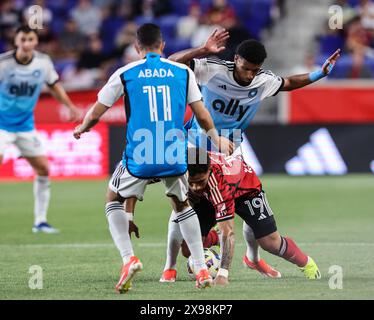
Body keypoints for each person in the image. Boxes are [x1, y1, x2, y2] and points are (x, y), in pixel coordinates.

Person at [160, 29, 341, 283]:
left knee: (243, 212)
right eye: (246, 68)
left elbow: (288, 83)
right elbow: (170, 65)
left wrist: (318, 74)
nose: (249, 75)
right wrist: (202, 49)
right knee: (182, 211)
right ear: (236, 60)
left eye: (255, 70)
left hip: (230, 159)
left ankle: (250, 257)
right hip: (196, 154)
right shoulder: (212, 68)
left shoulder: (262, 80)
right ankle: (177, 261)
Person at [73, 23, 233, 293]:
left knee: (113, 198)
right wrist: (216, 139)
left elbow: (97, 112)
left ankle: (128, 259)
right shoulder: (183, 71)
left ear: (137, 48)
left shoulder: (125, 73)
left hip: (140, 154)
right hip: (174, 152)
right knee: (182, 205)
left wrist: (83, 127)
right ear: (163, 46)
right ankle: (201, 267)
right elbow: (202, 113)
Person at [186, 147, 321, 285]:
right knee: (187, 248)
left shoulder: (220, 185)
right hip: (208, 194)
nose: (195, 187)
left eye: (200, 182)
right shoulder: (182, 167)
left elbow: (228, 231)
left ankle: (306, 263)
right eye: (191, 183)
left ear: (209, 170)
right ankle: (215, 239)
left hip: (246, 190)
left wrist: (222, 274)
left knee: (270, 243)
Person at [0, 25, 79, 233]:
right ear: (16, 41)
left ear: (36, 42)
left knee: (43, 169)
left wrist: (70, 106)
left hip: (25, 126)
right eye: (23, 39)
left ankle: (40, 222)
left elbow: (54, 85)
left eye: (30, 39)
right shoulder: (3, 64)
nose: (27, 43)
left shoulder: (43, 62)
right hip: (1, 125)